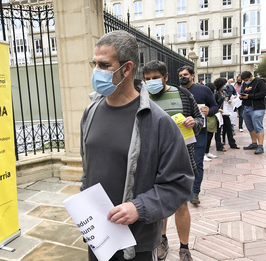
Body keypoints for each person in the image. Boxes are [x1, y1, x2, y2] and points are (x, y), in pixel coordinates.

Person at [80, 30, 195, 261]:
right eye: (94, 64)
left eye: (104, 65)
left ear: (127, 68)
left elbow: (179, 184)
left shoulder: (158, 122)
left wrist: (138, 208)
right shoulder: (90, 112)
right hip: (97, 236)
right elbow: (88, 168)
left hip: (136, 245)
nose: (96, 72)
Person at [143, 60, 203, 261]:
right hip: (154, 162)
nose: (151, 82)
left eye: (155, 78)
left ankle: (184, 248)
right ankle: (162, 240)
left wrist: (195, 122)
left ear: (165, 77)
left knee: (181, 205)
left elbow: (199, 120)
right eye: (147, 79)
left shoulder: (184, 94)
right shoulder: (142, 97)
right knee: (160, 205)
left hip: (181, 160)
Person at [177, 65, 219, 205]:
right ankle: (182, 190)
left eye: (185, 74)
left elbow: (215, 106)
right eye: (180, 75)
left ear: (192, 75)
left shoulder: (204, 90)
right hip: (181, 133)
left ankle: (195, 193)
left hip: (200, 133)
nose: (183, 77)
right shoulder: (176, 91)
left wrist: (209, 111)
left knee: (197, 163)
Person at [240, 71, 266, 154]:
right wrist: (242, 97)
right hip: (246, 107)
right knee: (250, 126)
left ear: (251, 76)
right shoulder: (244, 84)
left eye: (246, 79)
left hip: (257, 107)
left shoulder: (259, 82)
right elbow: (243, 92)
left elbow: (263, 93)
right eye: (244, 80)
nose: (245, 81)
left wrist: (250, 96)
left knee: (258, 126)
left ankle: (260, 146)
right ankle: (254, 143)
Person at [213, 77, 240, 151]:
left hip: (226, 113)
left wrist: (230, 100)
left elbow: (227, 99)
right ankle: (219, 146)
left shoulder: (224, 92)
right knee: (218, 131)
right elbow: (214, 103)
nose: (226, 86)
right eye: (224, 84)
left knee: (229, 129)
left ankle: (232, 144)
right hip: (219, 113)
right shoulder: (216, 93)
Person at [204, 82, 218, 162]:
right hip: (208, 119)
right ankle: (204, 153)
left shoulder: (211, 96)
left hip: (212, 118)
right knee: (207, 137)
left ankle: (207, 152)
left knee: (210, 136)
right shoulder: (206, 96)